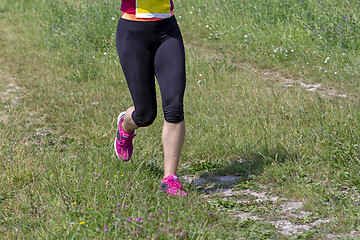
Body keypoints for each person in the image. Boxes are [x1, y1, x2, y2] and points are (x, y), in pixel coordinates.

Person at [114, 0, 187, 196]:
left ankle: (170, 179)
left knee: (174, 106)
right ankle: (125, 126)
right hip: (132, 32)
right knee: (145, 115)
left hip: (167, 30)